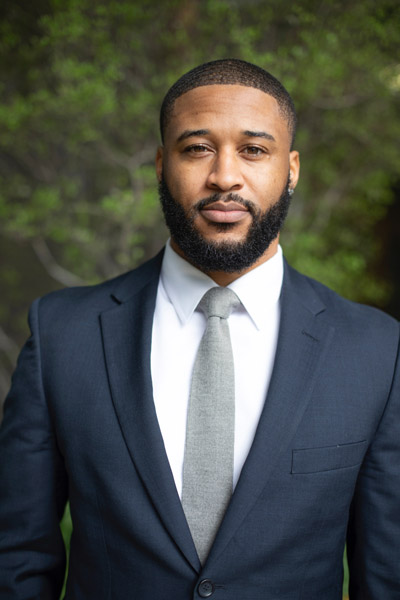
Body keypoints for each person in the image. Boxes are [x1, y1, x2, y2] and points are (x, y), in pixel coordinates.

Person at [0, 58, 399, 600]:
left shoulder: (376, 350)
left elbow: (388, 573)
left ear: (292, 169)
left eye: (254, 150)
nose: (225, 176)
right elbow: (16, 559)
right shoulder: (60, 335)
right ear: (162, 164)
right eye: (197, 149)